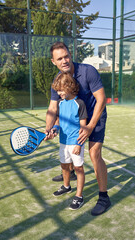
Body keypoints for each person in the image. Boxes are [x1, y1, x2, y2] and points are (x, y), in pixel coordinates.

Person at [45, 41, 111, 216]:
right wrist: (48, 128)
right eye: (60, 58)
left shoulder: (88, 71)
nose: (64, 60)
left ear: (70, 55)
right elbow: (53, 109)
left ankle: (104, 197)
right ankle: (69, 177)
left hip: (95, 116)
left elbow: (101, 99)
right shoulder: (58, 80)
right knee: (66, 154)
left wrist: (89, 126)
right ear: (54, 62)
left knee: (94, 154)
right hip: (73, 120)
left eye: (66, 56)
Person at [50, 72, 88, 210]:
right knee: (65, 166)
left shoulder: (80, 103)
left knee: (78, 168)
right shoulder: (60, 103)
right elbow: (59, 120)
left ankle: (79, 196)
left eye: (61, 90)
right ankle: (66, 187)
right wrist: (55, 128)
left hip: (76, 143)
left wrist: (79, 144)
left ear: (69, 86)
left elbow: (84, 127)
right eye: (57, 90)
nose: (59, 93)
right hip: (63, 142)